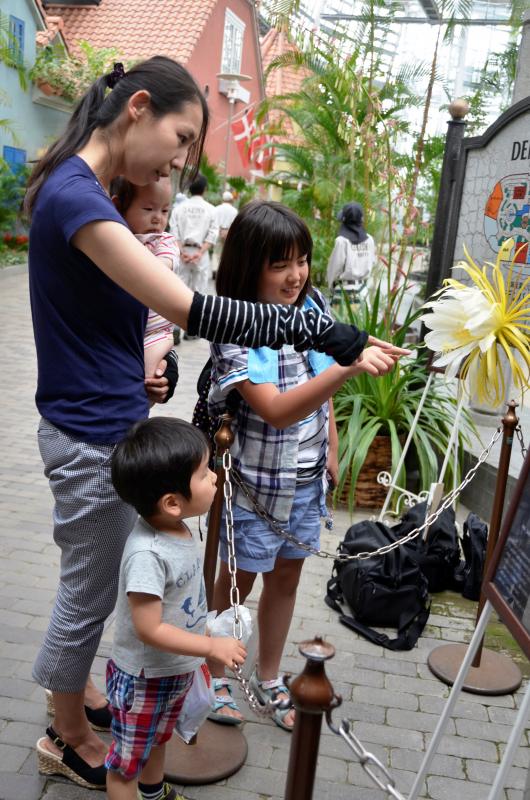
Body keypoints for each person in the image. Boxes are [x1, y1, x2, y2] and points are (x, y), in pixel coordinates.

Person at [24, 55, 407, 789]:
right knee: (88, 588)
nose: (180, 159)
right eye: (181, 137)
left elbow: (114, 317)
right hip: (86, 433)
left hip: (106, 416)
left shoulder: (87, 190)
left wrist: (149, 369)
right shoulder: (80, 197)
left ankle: (82, 695)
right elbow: (198, 309)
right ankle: (65, 731)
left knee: (97, 579)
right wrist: (332, 337)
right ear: (138, 107)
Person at [206, 201, 401, 729]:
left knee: (287, 578)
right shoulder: (234, 323)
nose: (297, 275)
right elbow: (273, 411)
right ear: (250, 266)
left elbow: (320, 393)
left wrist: (334, 448)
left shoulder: (311, 303)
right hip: (252, 486)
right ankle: (216, 674)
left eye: (303, 260)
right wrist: (348, 367)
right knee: (236, 582)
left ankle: (269, 676)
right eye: (280, 264)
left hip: (305, 479)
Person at [102, 417, 246, 800]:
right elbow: (150, 628)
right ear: (172, 502)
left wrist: (203, 639)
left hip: (172, 671)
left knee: (159, 739)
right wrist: (210, 648)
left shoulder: (177, 529)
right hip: (143, 679)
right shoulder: (148, 554)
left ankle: (154, 794)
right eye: (203, 473)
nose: (214, 476)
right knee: (125, 765)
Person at [110, 175, 179, 378]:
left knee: (146, 379)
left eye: (165, 210)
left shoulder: (163, 241)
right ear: (118, 206)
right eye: (148, 209)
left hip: (156, 333)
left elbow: (161, 268)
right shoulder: (114, 237)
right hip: (125, 331)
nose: (158, 218)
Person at [169, 173, 218, 301]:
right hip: (201, 253)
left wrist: (182, 252)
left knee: (179, 291)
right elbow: (213, 233)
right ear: (205, 189)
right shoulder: (211, 210)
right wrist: (200, 253)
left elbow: (174, 232)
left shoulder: (178, 209)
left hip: (181, 252)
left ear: (189, 188)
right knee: (200, 294)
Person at [326, 201, 376, 305]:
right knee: (362, 321)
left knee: (343, 321)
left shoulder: (341, 241)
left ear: (344, 220)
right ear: (361, 220)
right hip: (362, 292)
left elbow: (334, 268)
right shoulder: (369, 240)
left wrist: (331, 286)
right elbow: (372, 263)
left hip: (343, 294)